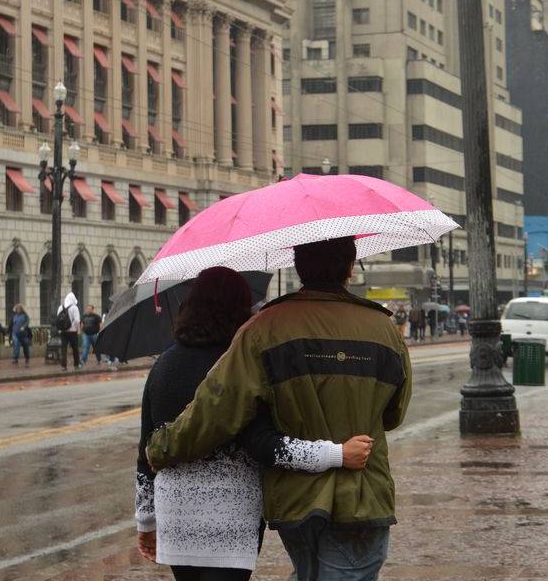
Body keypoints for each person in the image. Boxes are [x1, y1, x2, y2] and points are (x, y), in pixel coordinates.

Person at [148, 236, 412, 580]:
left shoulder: (263, 328)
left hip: (296, 497)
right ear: (350, 267)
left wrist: (165, 446)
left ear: (298, 265)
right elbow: (394, 414)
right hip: (361, 495)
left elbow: (218, 406)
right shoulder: (385, 329)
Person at [57, 291, 81, 371]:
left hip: (63, 331)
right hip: (72, 331)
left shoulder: (61, 307)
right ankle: (76, 364)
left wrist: (59, 329)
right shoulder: (74, 307)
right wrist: (79, 330)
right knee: (75, 348)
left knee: (63, 349)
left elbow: (58, 319)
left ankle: (64, 366)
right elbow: (77, 320)